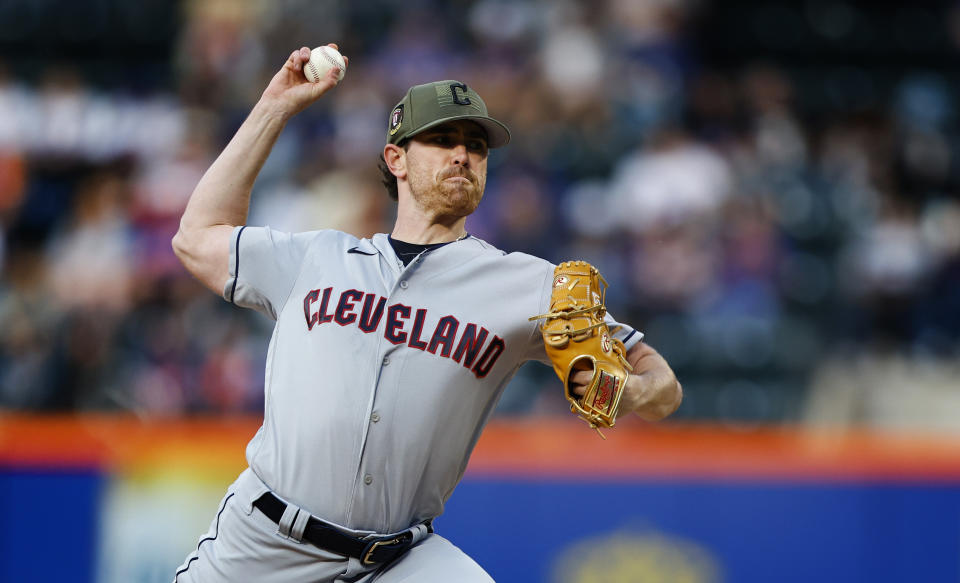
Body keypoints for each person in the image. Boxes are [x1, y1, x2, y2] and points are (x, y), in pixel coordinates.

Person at [171, 45, 682, 582]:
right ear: (396, 160)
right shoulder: (314, 258)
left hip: (397, 560)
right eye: (442, 140)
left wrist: (630, 391)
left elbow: (663, 386)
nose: (462, 154)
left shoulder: (530, 285)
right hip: (265, 544)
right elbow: (197, 237)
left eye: (477, 146)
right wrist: (275, 106)